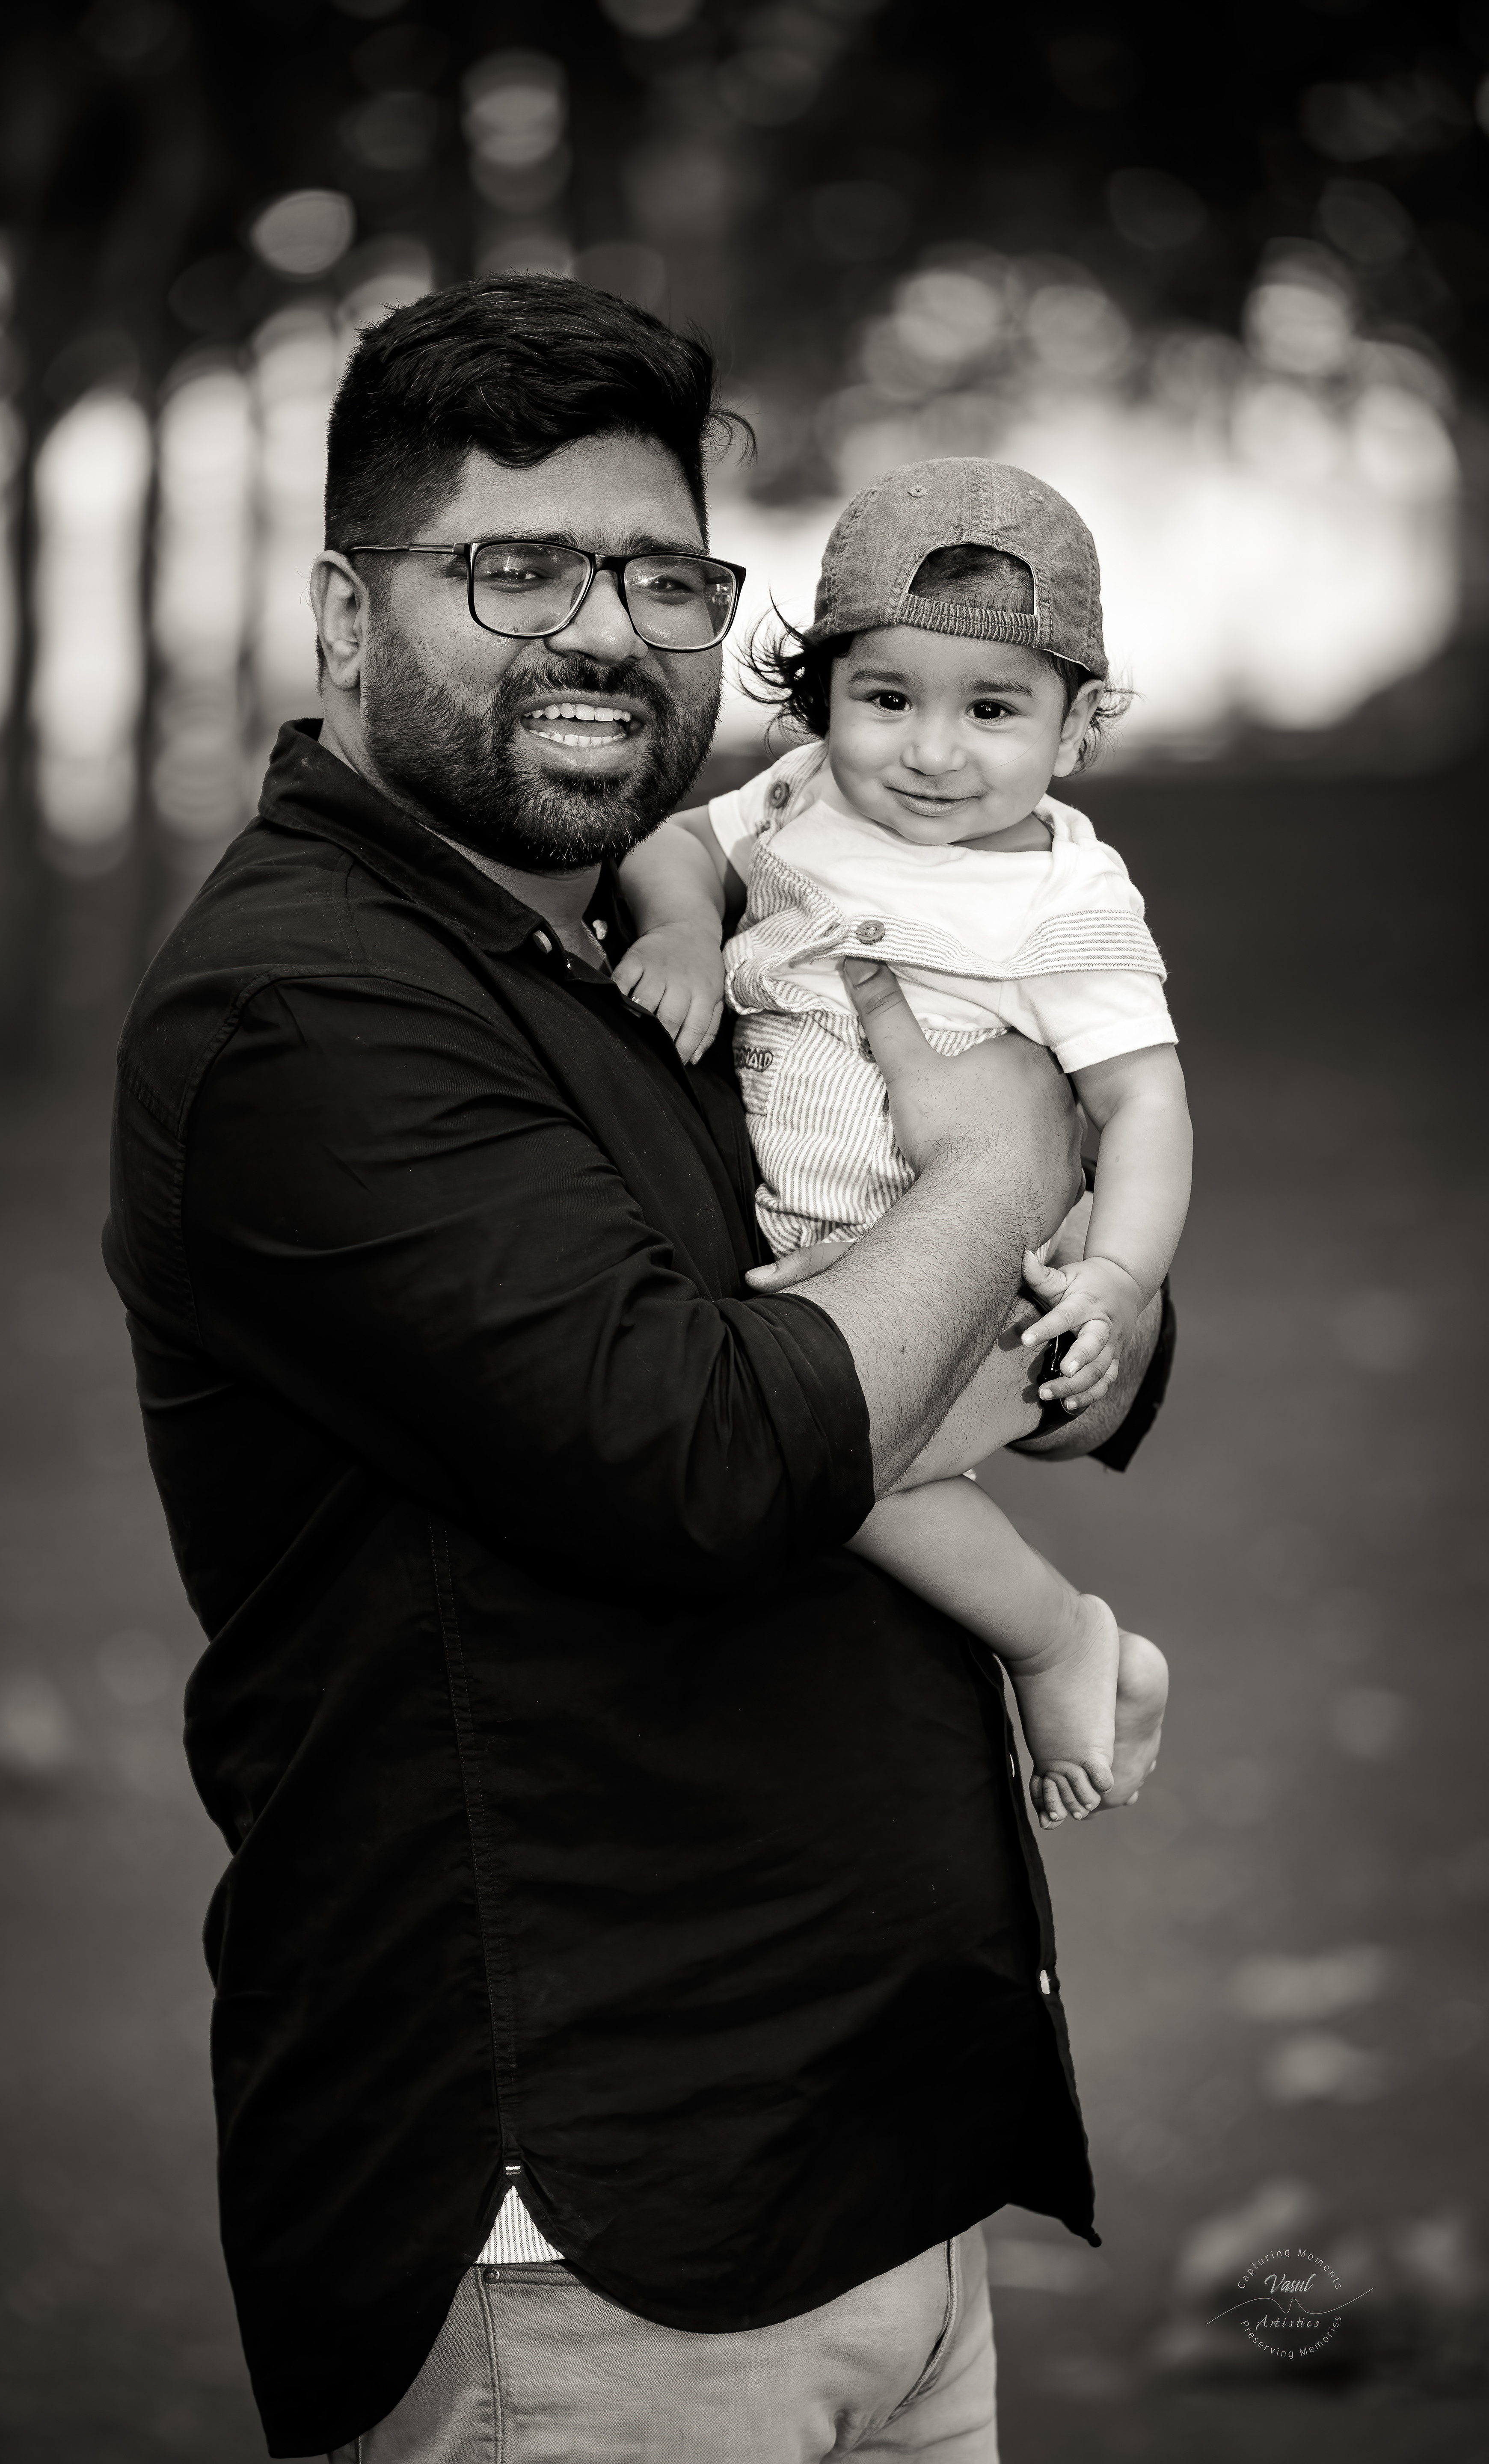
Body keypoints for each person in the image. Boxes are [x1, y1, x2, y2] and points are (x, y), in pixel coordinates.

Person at [104, 277, 1175, 2464]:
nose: (606, 630)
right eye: (516, 567)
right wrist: (1001, 1160)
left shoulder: (642, 929)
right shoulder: (310, 1013)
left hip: (876, 2166)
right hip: (592, 2235)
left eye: (665, 577)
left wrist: (1075, 1298)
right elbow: (721, 1457)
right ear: (344, 614)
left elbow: (1003, 1351)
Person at [614, 460, 1186, 1828]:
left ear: (1077, 727)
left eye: (991, 709)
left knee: (825, 1479)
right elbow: (674, 846)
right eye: (887, 700)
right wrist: (684, 929)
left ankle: (1057, 1639)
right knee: (810, 1471)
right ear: (822, 700)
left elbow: (1145, 1106)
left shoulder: (1064, 902)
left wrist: (1117, 1279)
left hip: (958, 1276)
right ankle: (1059, 1649)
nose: (931, 752)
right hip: (823, 1257)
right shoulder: (802, 799)